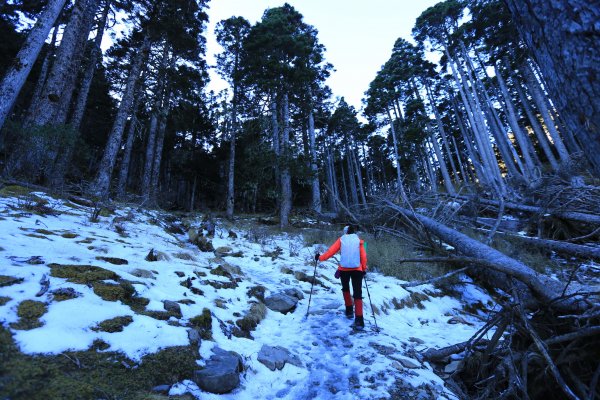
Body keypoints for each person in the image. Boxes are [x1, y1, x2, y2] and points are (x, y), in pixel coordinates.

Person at [315, 225, 367, 329]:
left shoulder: (341, 240)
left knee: (345, 289)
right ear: (354, 232)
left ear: (345, 232)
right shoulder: (361, 241)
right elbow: (364, 256)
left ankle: (349, 311)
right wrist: (364, 268)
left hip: (344, 270)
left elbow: (330, 252)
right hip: (357, 270)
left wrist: (320, 258)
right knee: (358, 293)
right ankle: (359, 320)